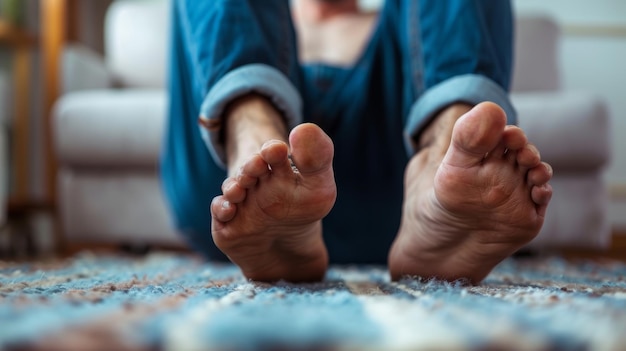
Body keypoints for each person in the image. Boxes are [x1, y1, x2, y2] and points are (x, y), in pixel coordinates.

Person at [161, 0, 553, 284]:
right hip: (232, 194)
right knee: (259, 150)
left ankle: (444, 167)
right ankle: (255, 146)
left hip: (399, 201)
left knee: (448, 155)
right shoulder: (251, 17)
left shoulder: (408, 22)